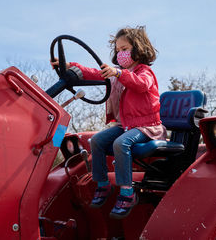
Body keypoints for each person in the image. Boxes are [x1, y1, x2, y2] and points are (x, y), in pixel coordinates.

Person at [50, 26, 166, 219]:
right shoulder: (118, 74)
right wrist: (70, 66)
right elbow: (95, 73)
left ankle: (128, 193)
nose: (121, 54)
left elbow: (140, 85)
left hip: (147, 127)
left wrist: (118, 74)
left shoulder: (144, 73)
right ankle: (103, 185)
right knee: (97, 141)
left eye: (125, 49)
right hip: (127, 125)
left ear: (138, 48)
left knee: (121, 143)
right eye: (118, 50)